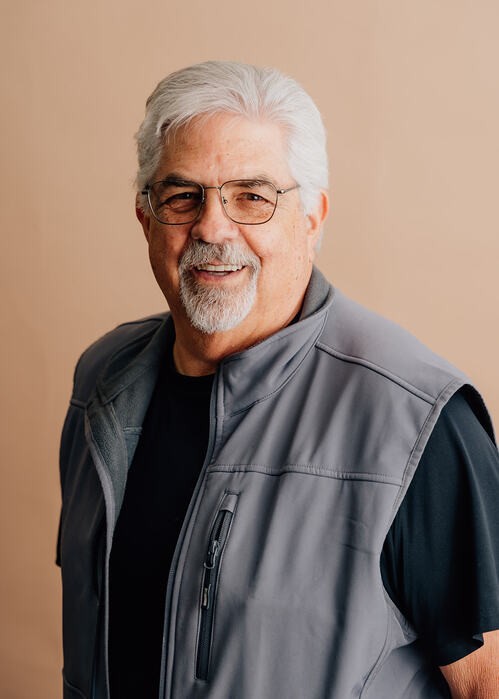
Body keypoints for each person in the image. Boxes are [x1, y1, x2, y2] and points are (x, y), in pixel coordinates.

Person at [57, 61, 499, 699]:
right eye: (183, 196)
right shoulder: (102, 384)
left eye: (252, 196)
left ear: (313, 218)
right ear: (145, 218)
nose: (213, 227)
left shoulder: (417, 423)